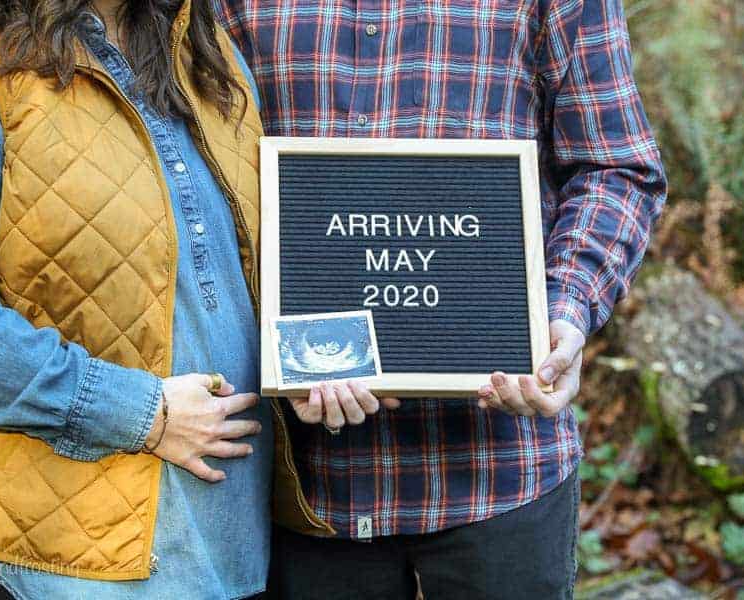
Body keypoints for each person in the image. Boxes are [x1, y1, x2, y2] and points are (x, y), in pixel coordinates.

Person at [216, 0, 667, 598]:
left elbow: (616, 167)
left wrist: (563, 307)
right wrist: (276, 351)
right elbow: (196, 173)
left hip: (501, 473)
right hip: (302, 483)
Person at [0, 0, 364, 597]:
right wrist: (143, 414)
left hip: (229, 540)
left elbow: (247, 262)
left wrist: (316, 368)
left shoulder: (205, 49)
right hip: (67, 560)